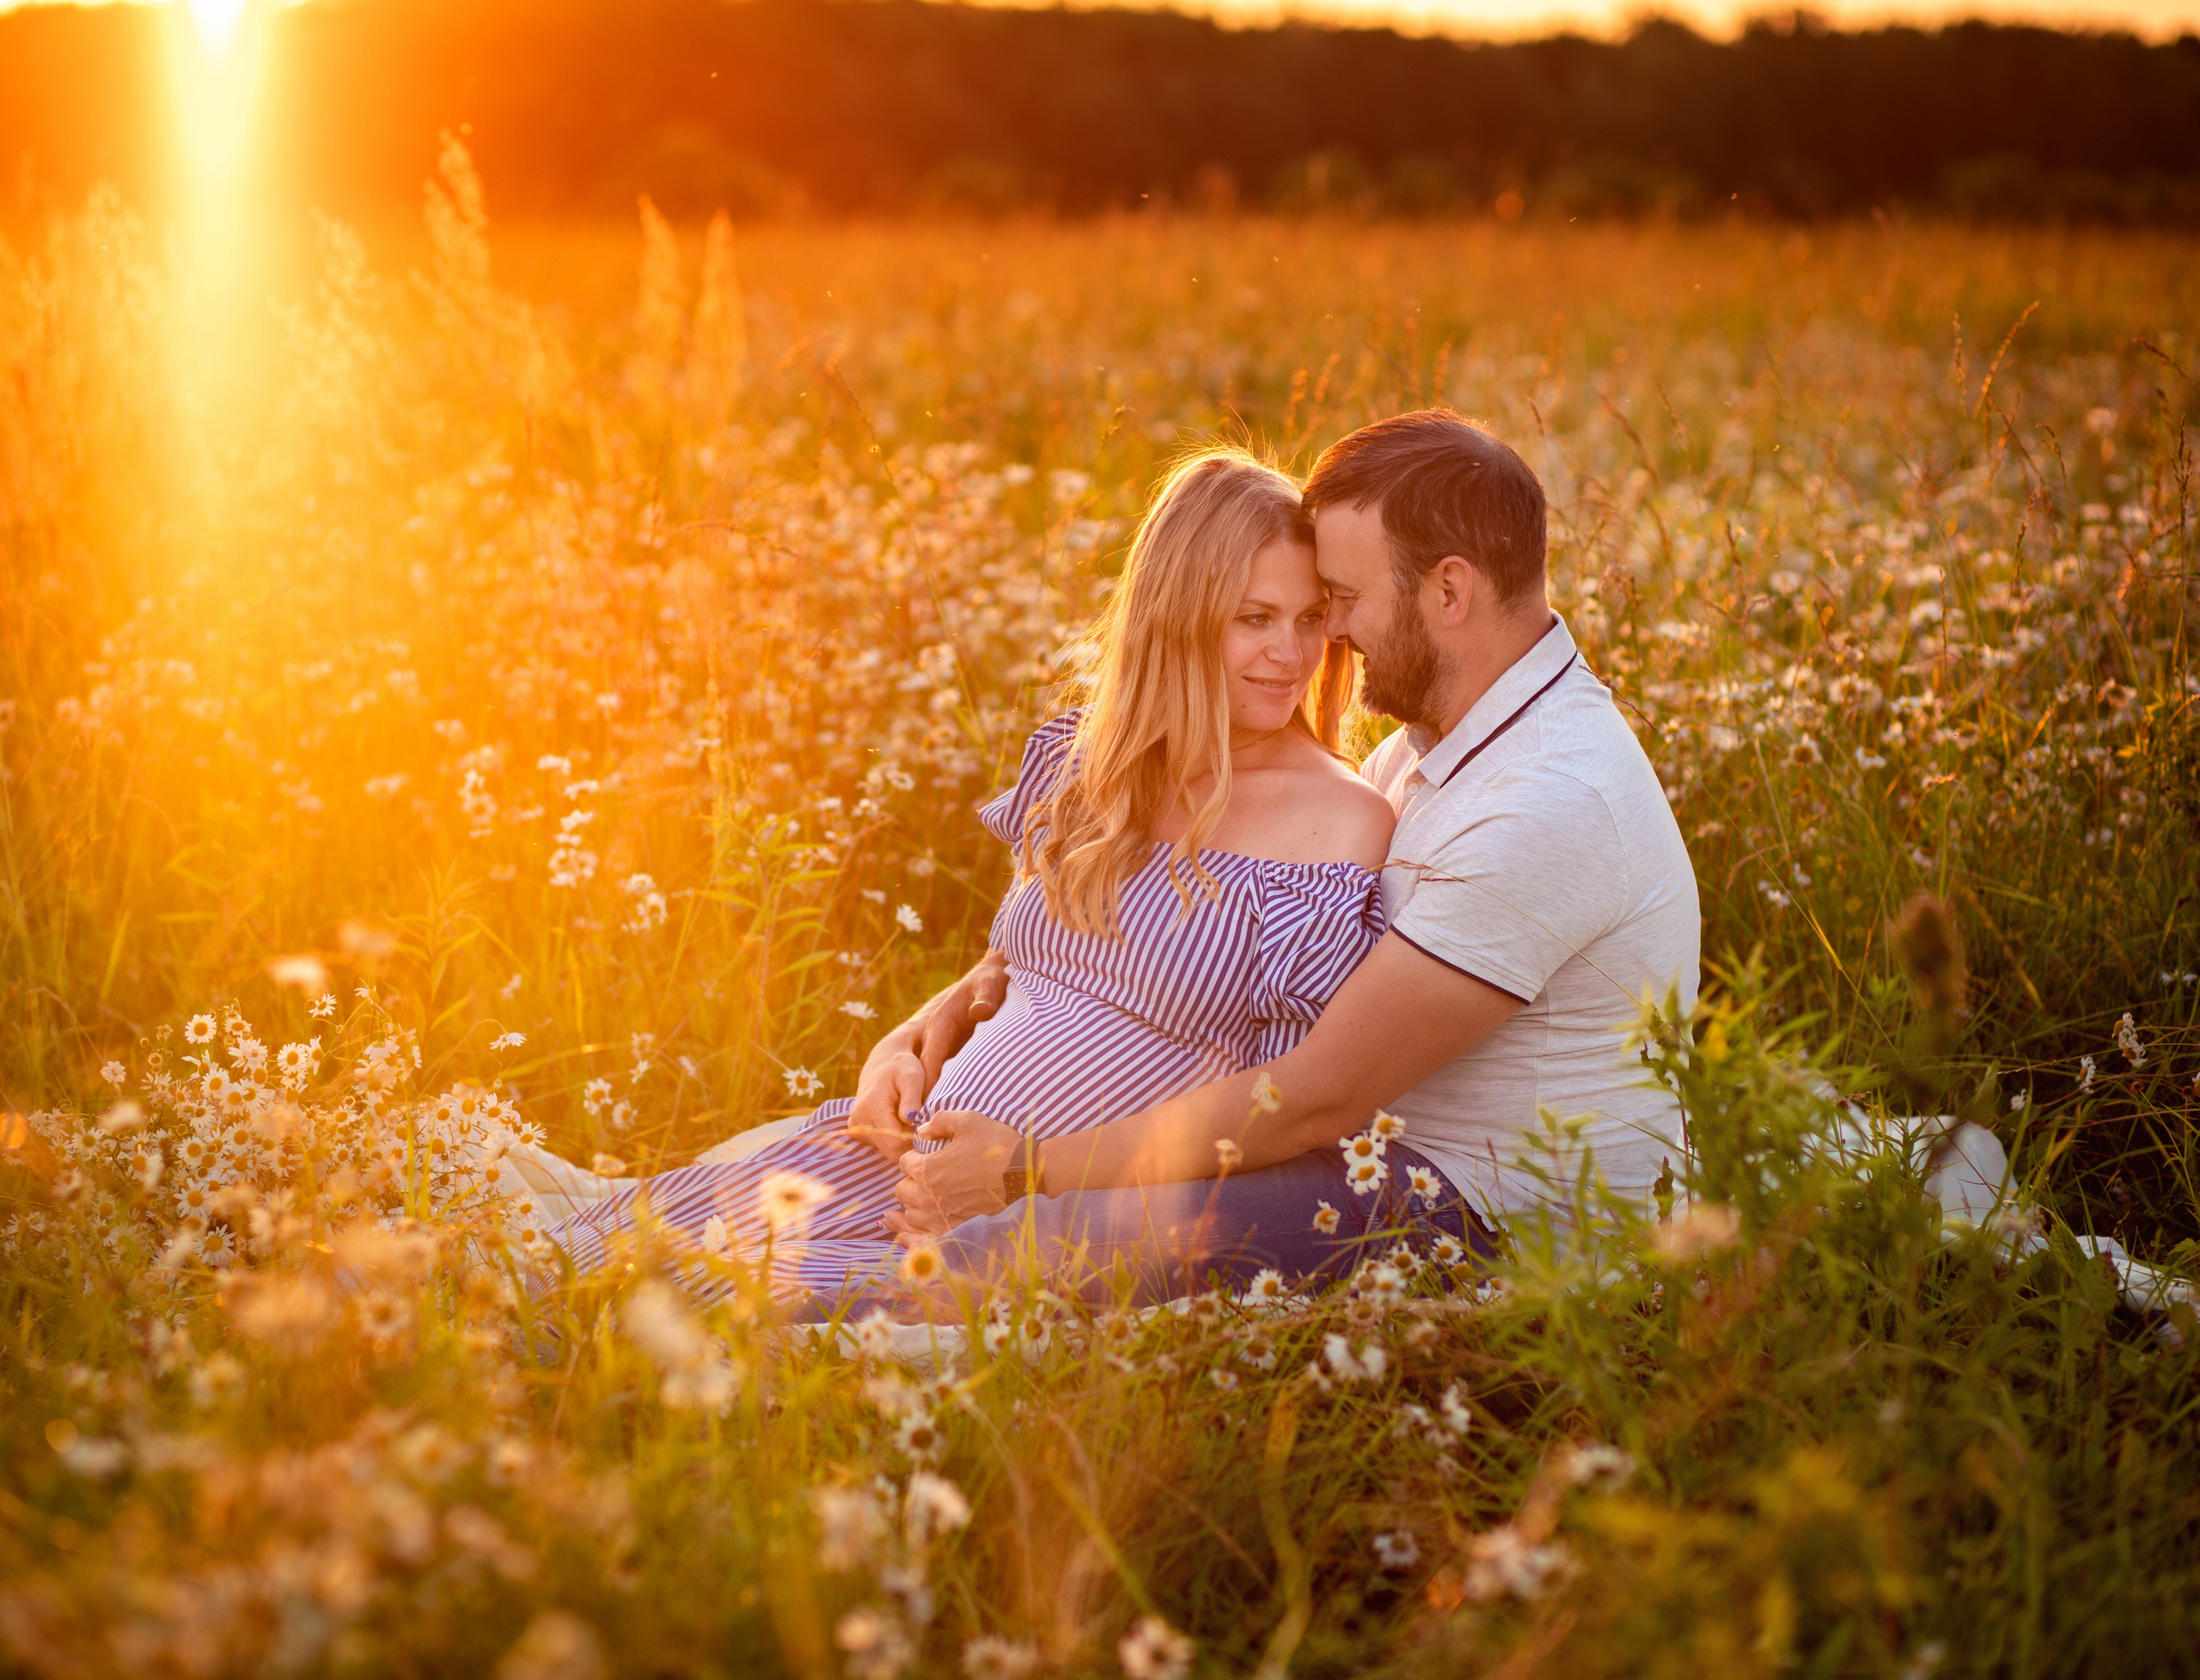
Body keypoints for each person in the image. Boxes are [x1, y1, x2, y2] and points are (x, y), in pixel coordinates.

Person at [540, 447, 1476, 1301]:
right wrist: (906, 1041)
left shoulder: (1338, 821)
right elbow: (1019, 967)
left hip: (1037, 1211)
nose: (1292, 653)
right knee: (586, 1273)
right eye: (1254, 620)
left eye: (1311, 619)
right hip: (910, 1159)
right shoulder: (1089, 762)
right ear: (1174, 622)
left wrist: (1021, 1182)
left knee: (728, 1328)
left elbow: (1288, 1105)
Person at [872, 410, 1701, 1304]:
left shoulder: (1553, 797)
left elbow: (1315, 1097)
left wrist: (1024, 1170)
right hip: (1378, 1162)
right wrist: (955, 1007)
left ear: (1448, 591)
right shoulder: (1436, 748)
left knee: (1011, 1258)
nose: (1327, 638)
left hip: (1488, 1210)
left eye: (1338, 599)